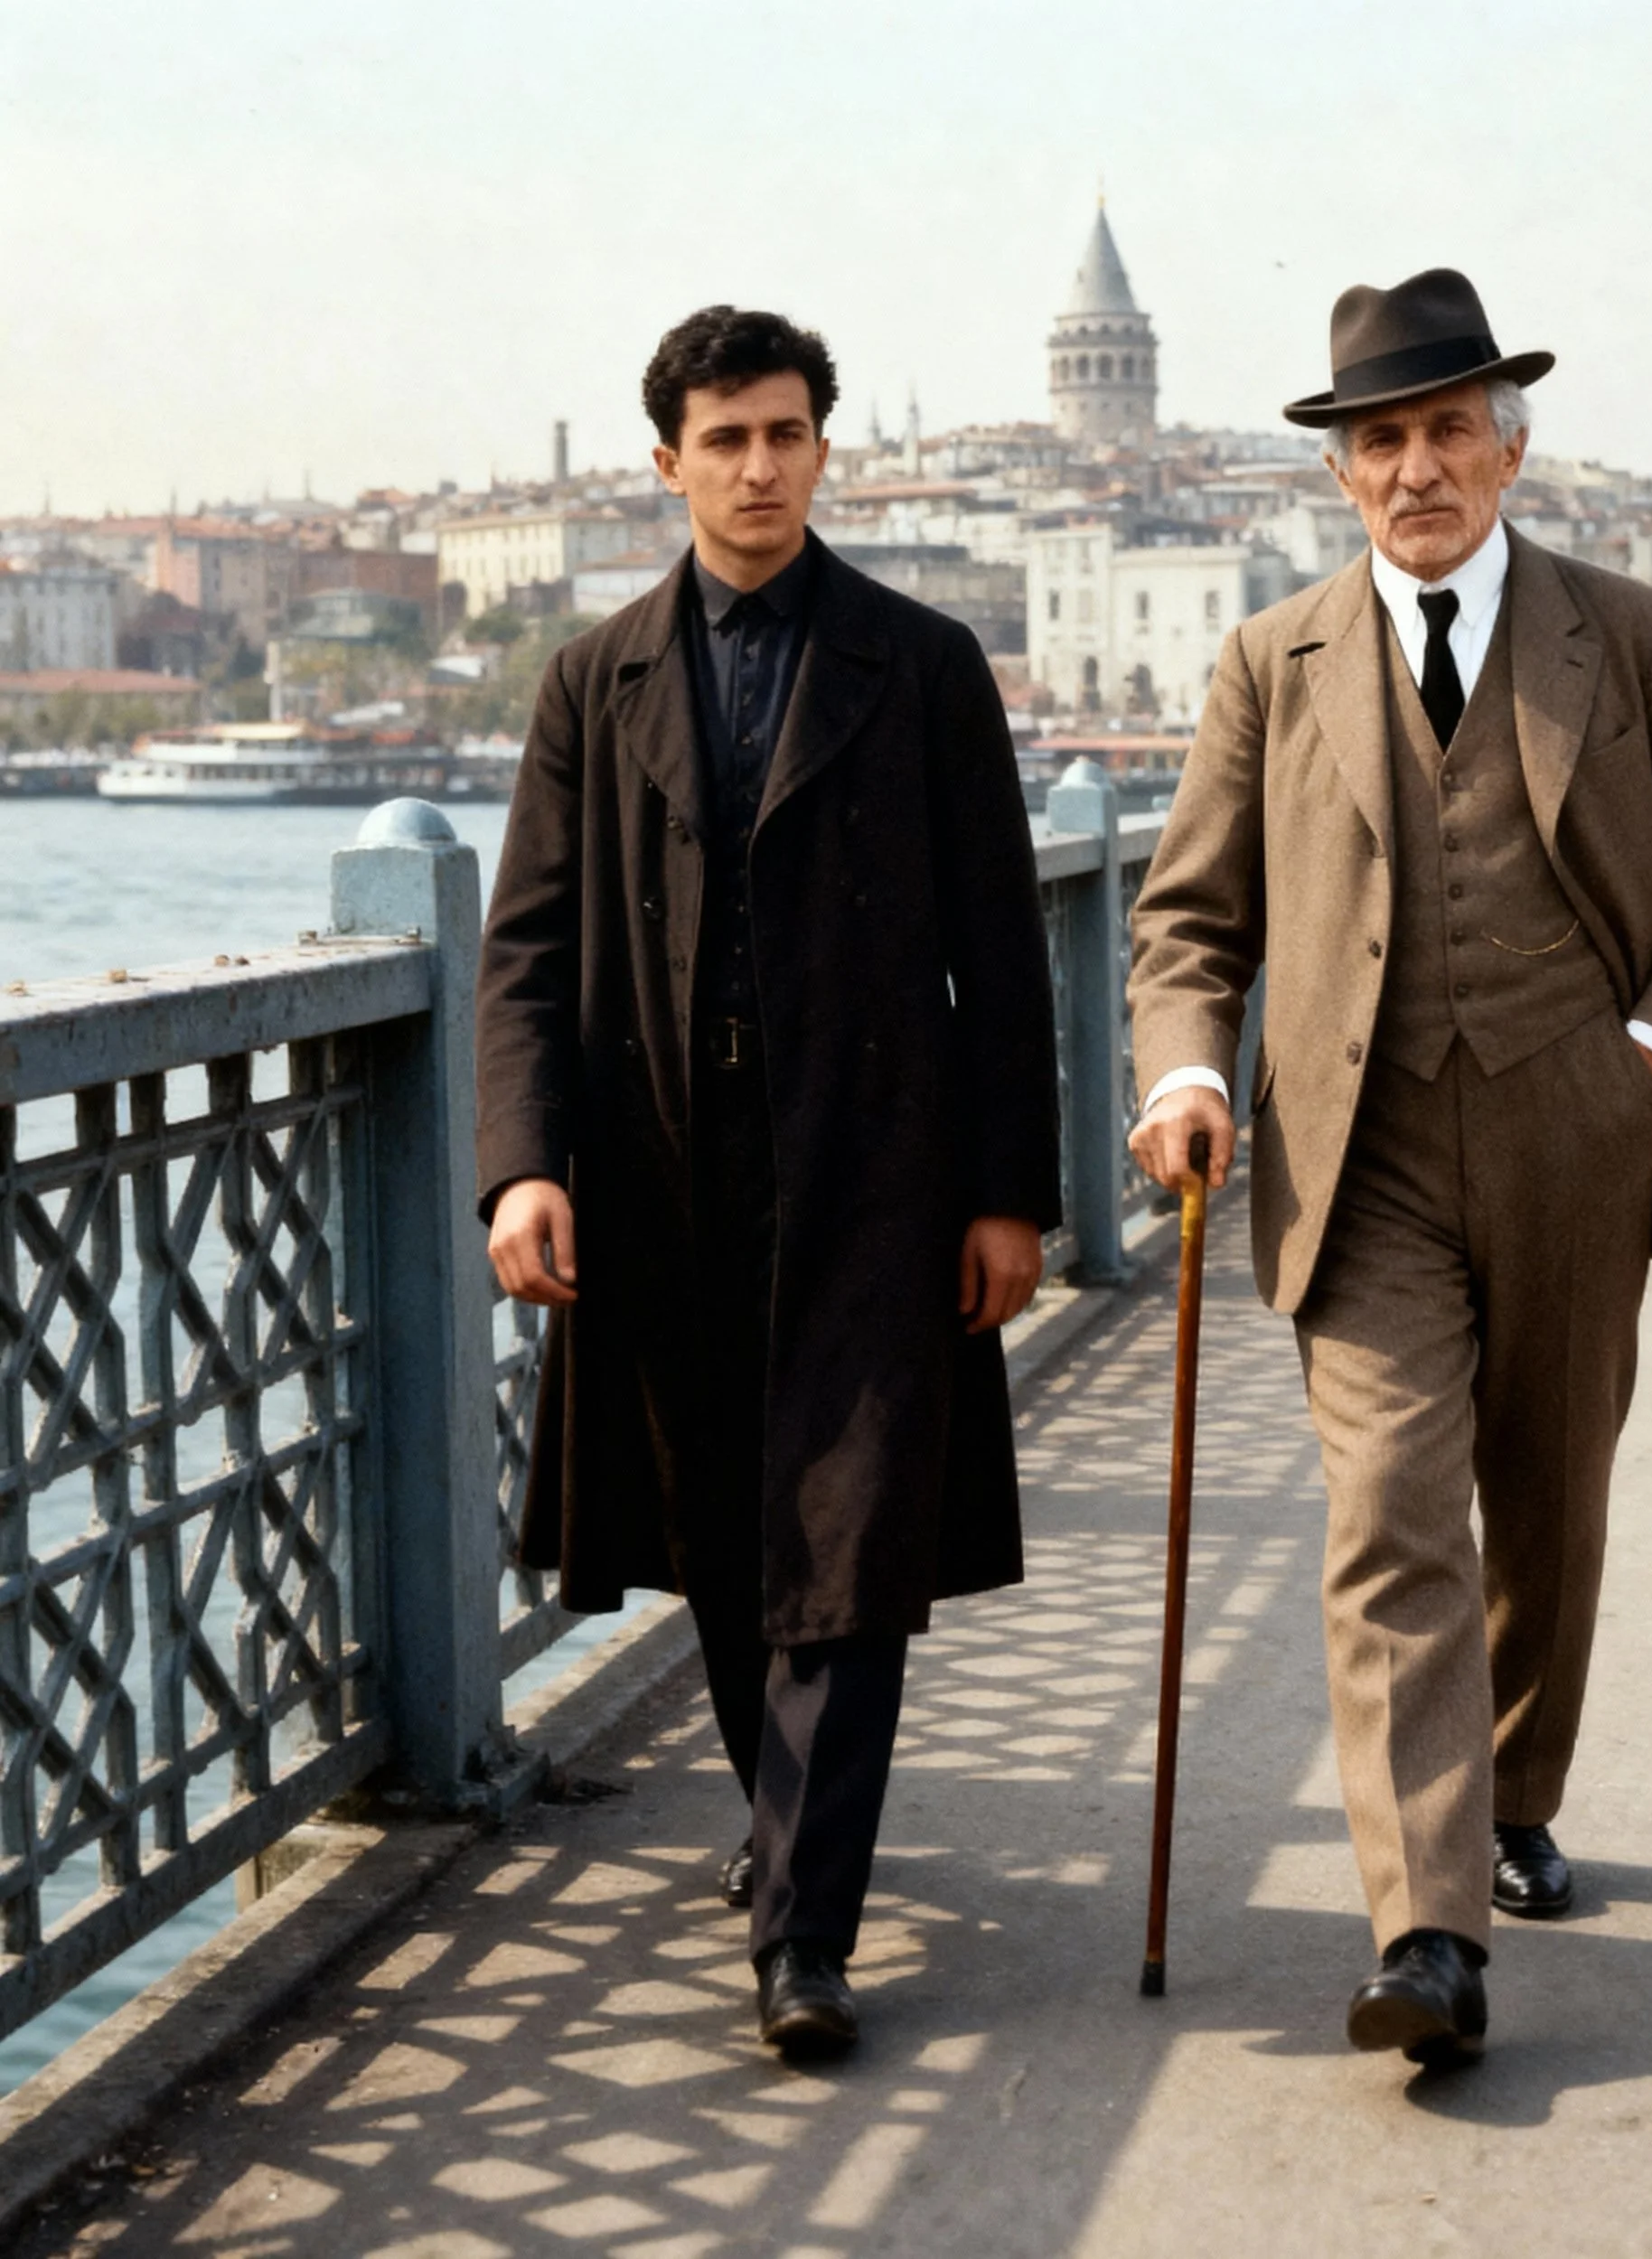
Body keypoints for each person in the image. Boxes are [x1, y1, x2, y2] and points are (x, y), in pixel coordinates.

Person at [1125, 268, 1652, 2067]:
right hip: (1357, 1158)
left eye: (1442, 430)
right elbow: (1187, 916)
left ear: (1510, 448)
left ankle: (1510, 1792)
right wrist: (1183, 1067)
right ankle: (1425, 1928)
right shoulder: (1269, 662)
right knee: (1390, 1511)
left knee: (1547, 1499)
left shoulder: (1627, 636)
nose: (1413, 467)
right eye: (1379, 441)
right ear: (1339, 475)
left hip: (1578, 1133)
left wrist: (1650, 1061)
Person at [474, 305, 1060, 2059]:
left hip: (876, 1160)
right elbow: (525, 953)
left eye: (785, 434)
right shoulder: (592, 681)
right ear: (667, 461)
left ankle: (804, 1936)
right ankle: (784, 1826)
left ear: (822, 449)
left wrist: (1006, 1192)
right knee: (726, 1531)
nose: (757, 468)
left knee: (851, 1530)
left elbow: (1001, 954)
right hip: (661, 1164)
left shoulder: (921, 664)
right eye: (724, 440)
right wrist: (521, 1168)